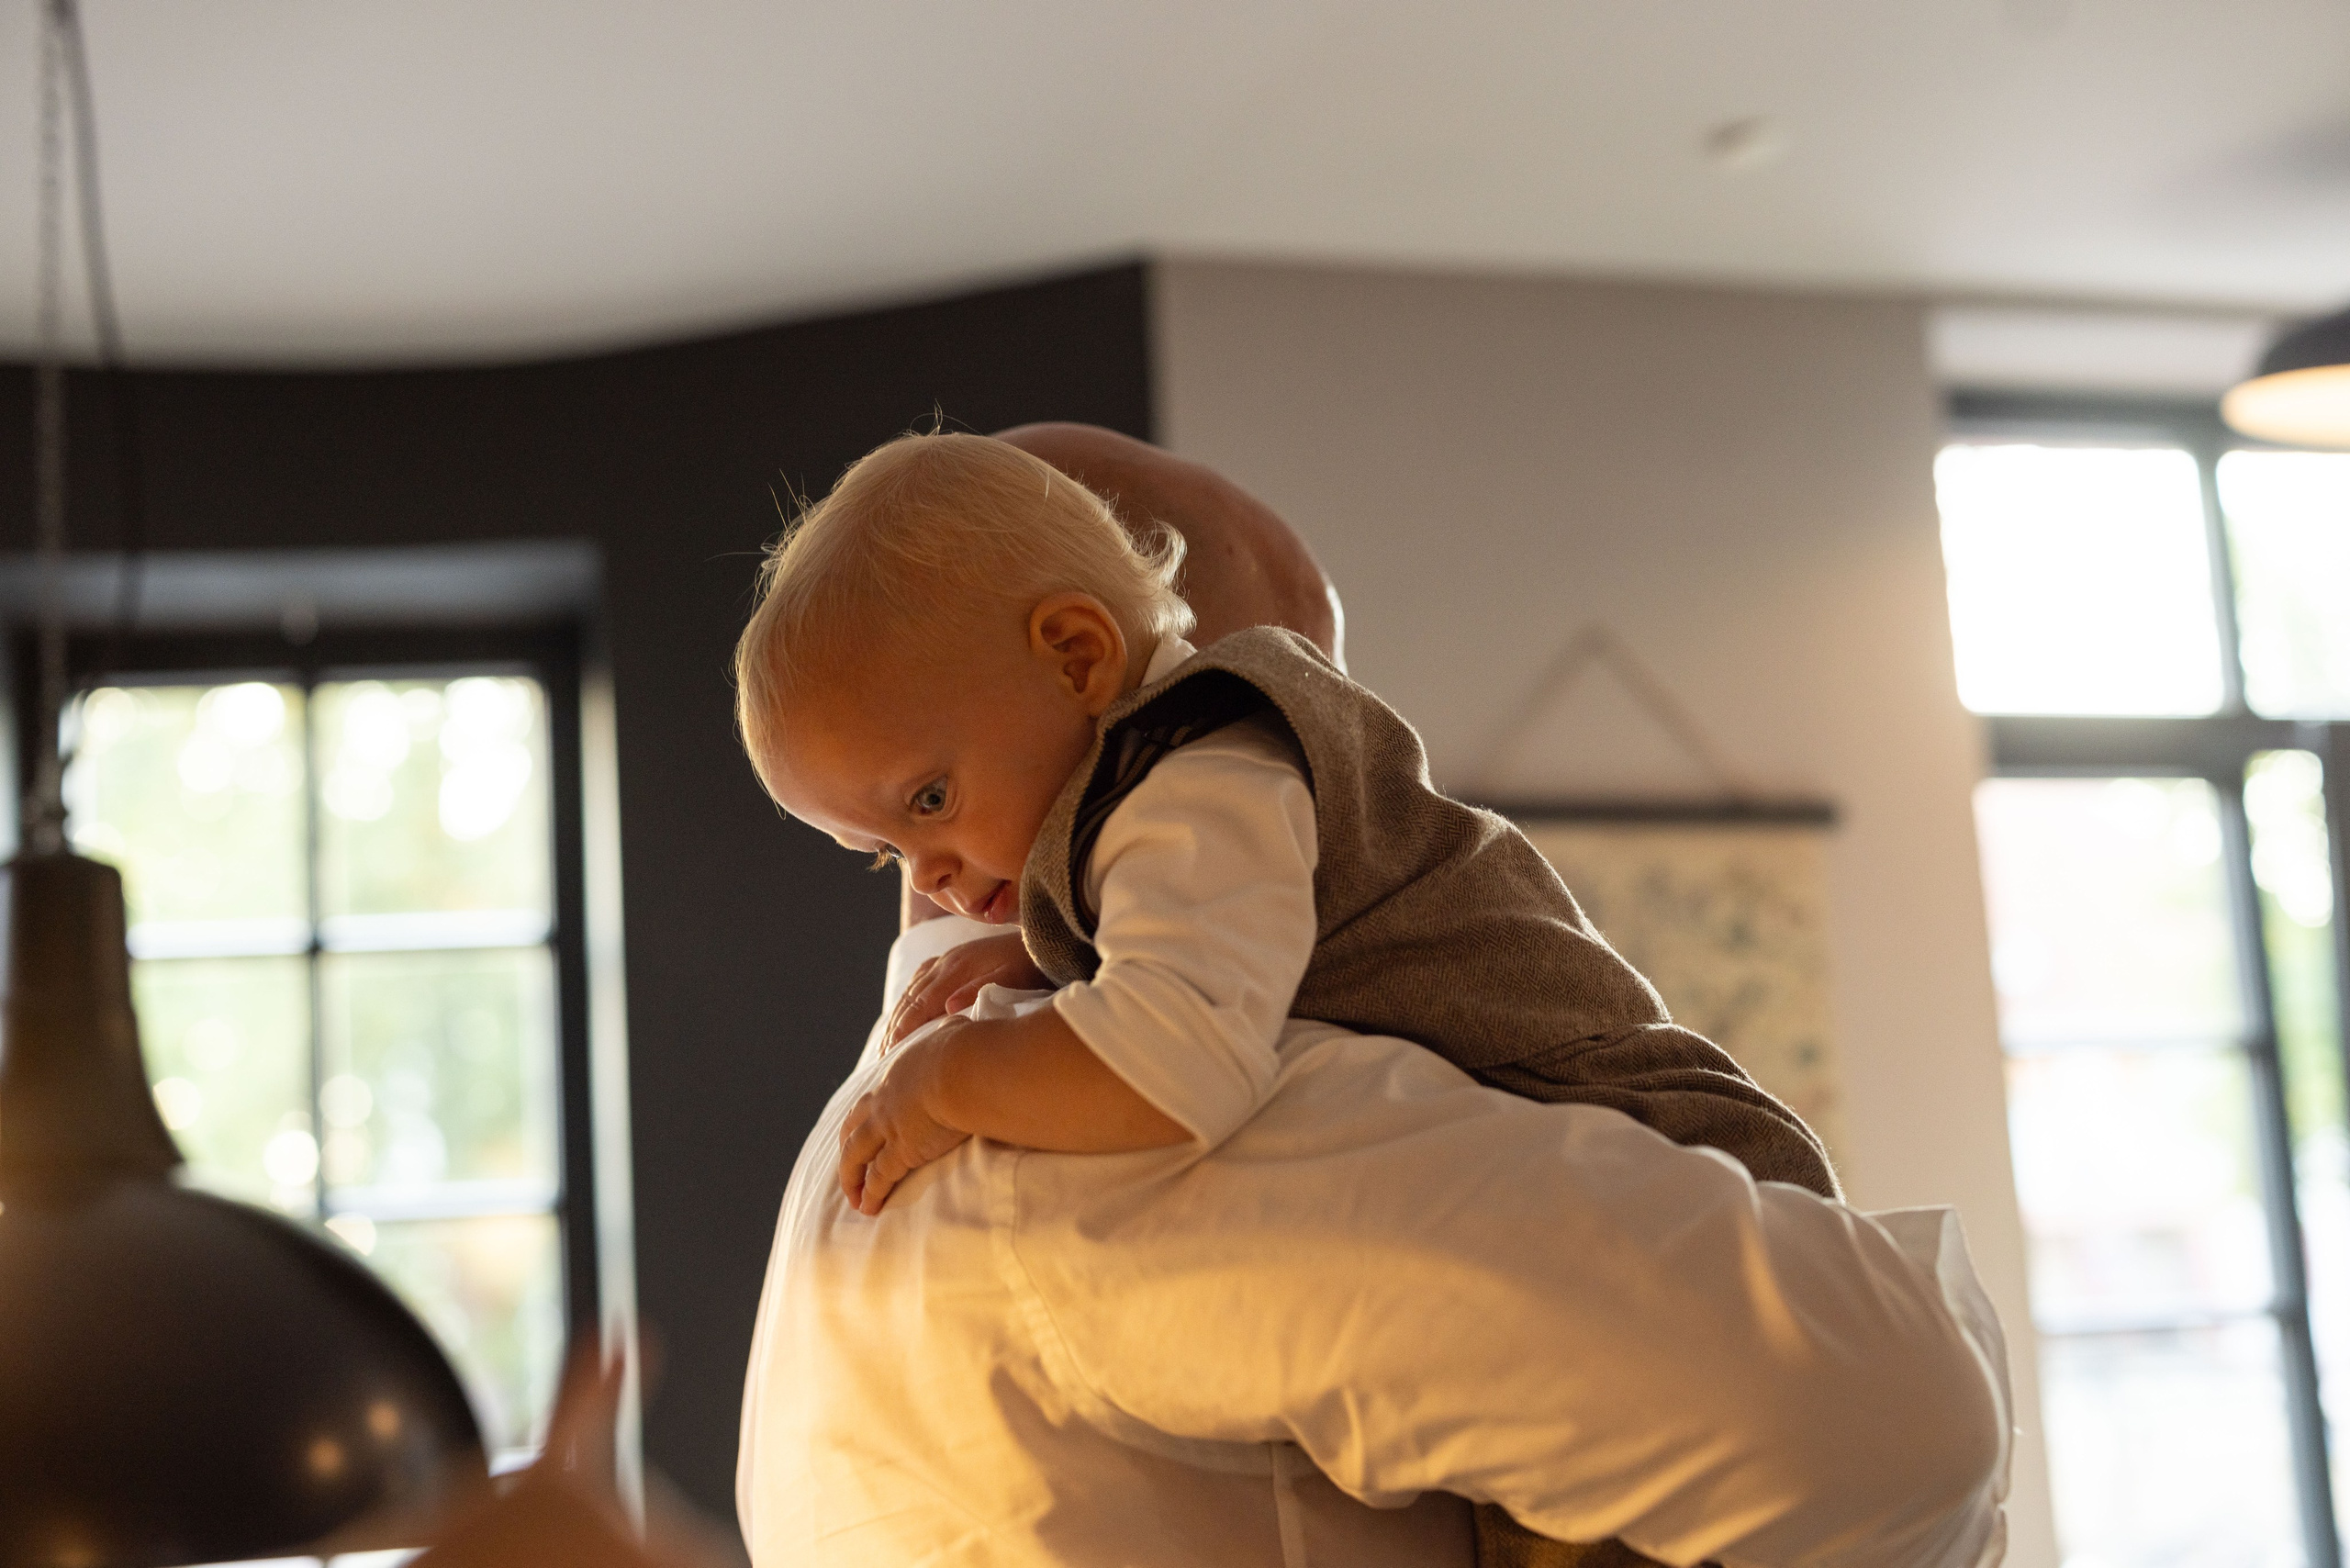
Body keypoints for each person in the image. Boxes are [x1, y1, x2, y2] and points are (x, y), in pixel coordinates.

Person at [733, 429, 2009, 1565]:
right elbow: (1895, 1420)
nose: (1307, 845)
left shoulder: (855, 1181)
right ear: (1081, 662)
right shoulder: (1051, 1105)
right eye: (890, 841)